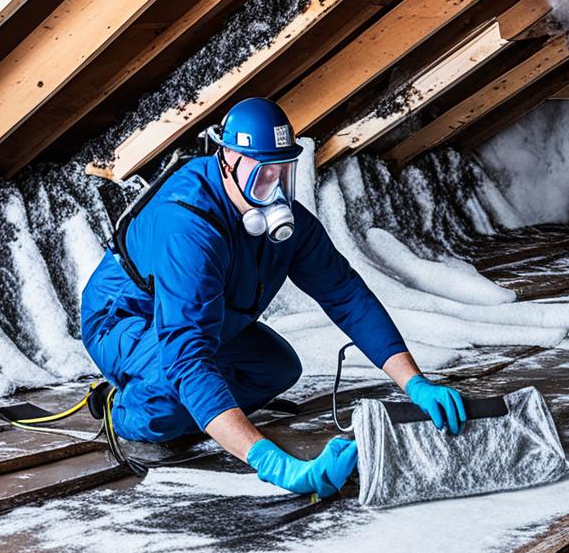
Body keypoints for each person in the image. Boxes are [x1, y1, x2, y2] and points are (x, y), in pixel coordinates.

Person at [80, 97, 465, 497]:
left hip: (209, 316)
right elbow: (188, 355)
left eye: (284, 171)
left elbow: (347, 296)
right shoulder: (188, 227)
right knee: (176, 389)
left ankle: (197, 406)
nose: (276, 187)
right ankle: (123, 409)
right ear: (226, 160)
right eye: (264, 172)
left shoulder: (277, 217)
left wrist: (415, 382)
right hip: (126, 321)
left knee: (277, 368)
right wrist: (273, 463)